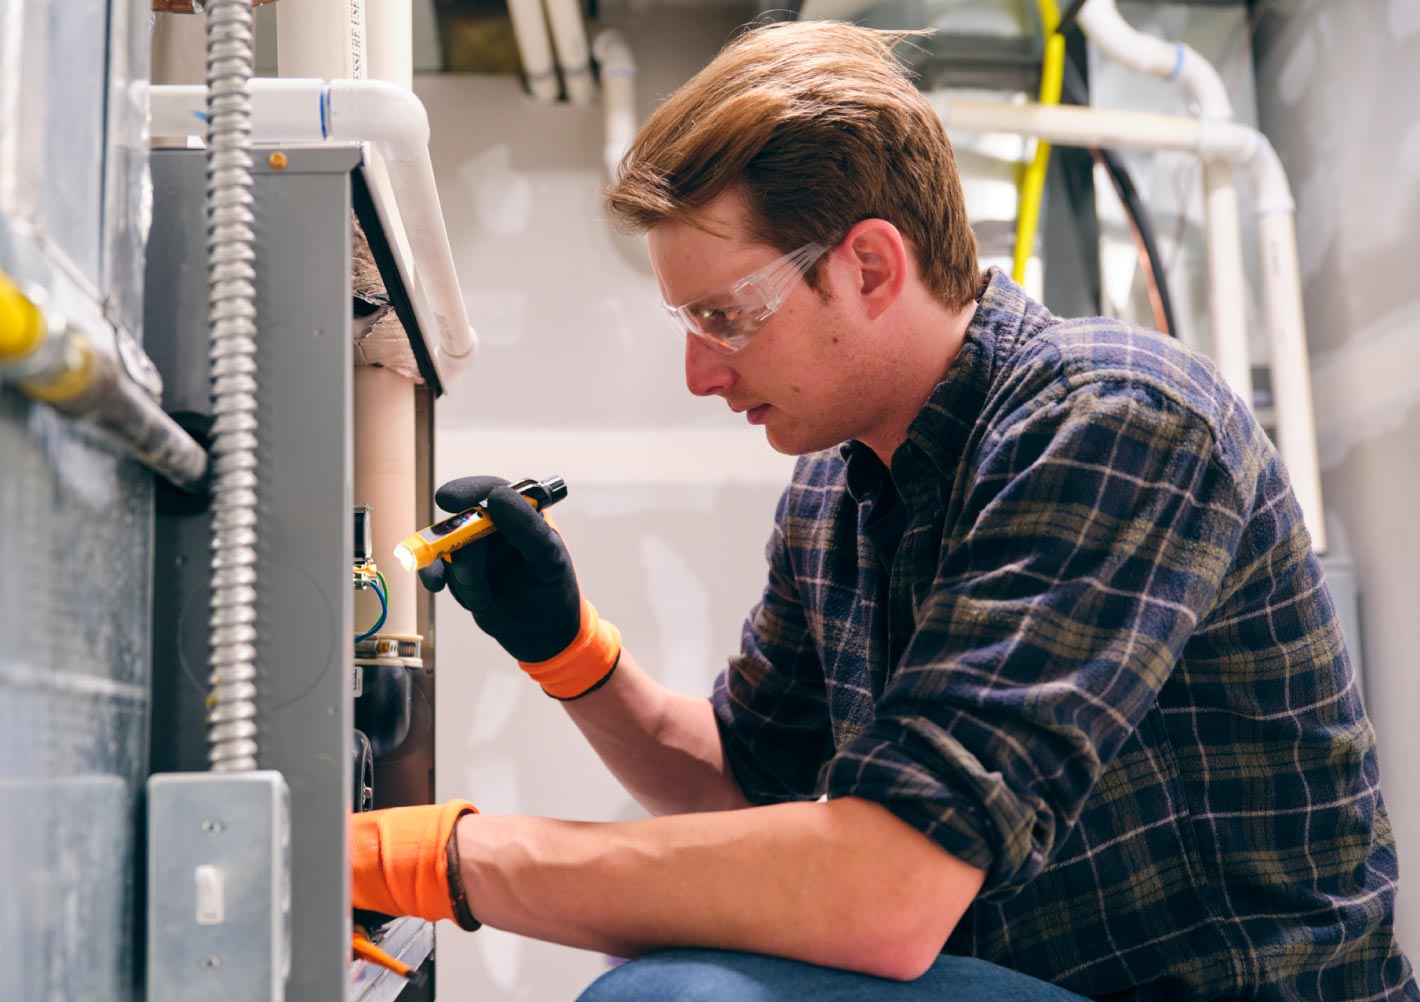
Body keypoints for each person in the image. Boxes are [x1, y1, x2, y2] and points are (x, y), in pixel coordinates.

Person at [349, 19, 1416, 1001]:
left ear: (867, 265)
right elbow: (745, 787)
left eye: (724, 316)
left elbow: (885, 894)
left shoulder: (1115, 421)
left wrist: (432, 859)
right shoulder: (836, 489)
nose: (697, 373)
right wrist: (571, 652)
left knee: (672, 999)